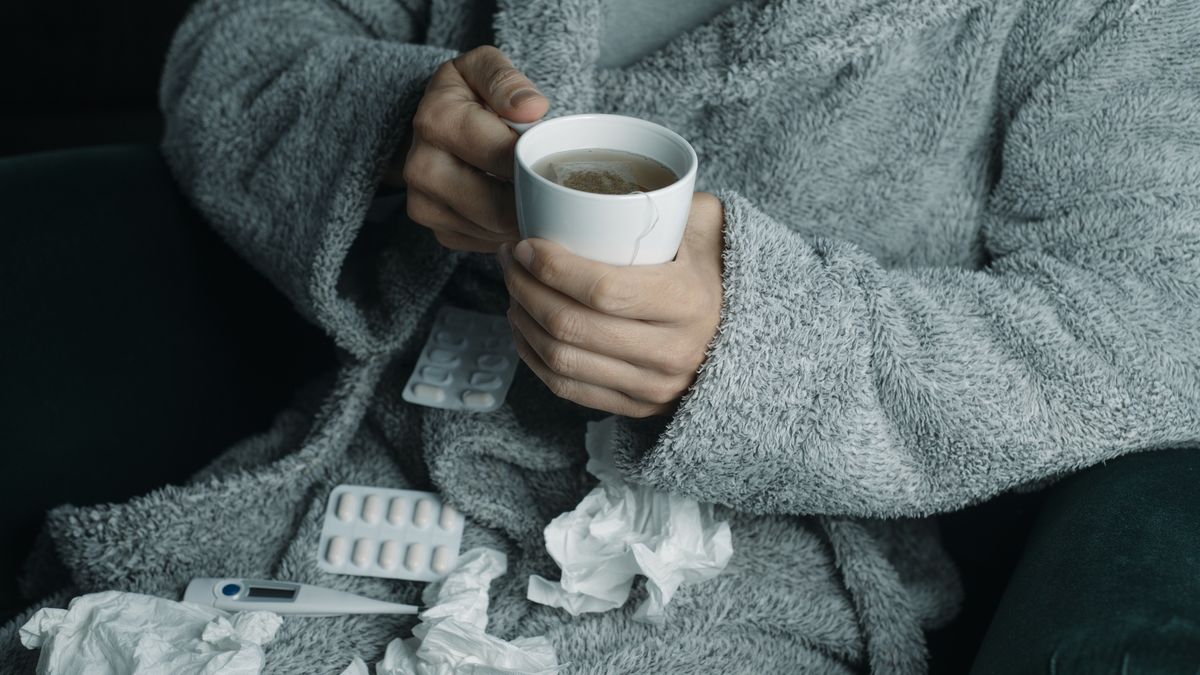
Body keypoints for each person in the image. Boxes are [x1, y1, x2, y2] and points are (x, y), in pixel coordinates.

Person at [6, 0, 1200, 672]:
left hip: (741, 585)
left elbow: (1150, 321)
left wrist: (760, 345)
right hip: (355, 496)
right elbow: (231, 46)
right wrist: (393, 123)